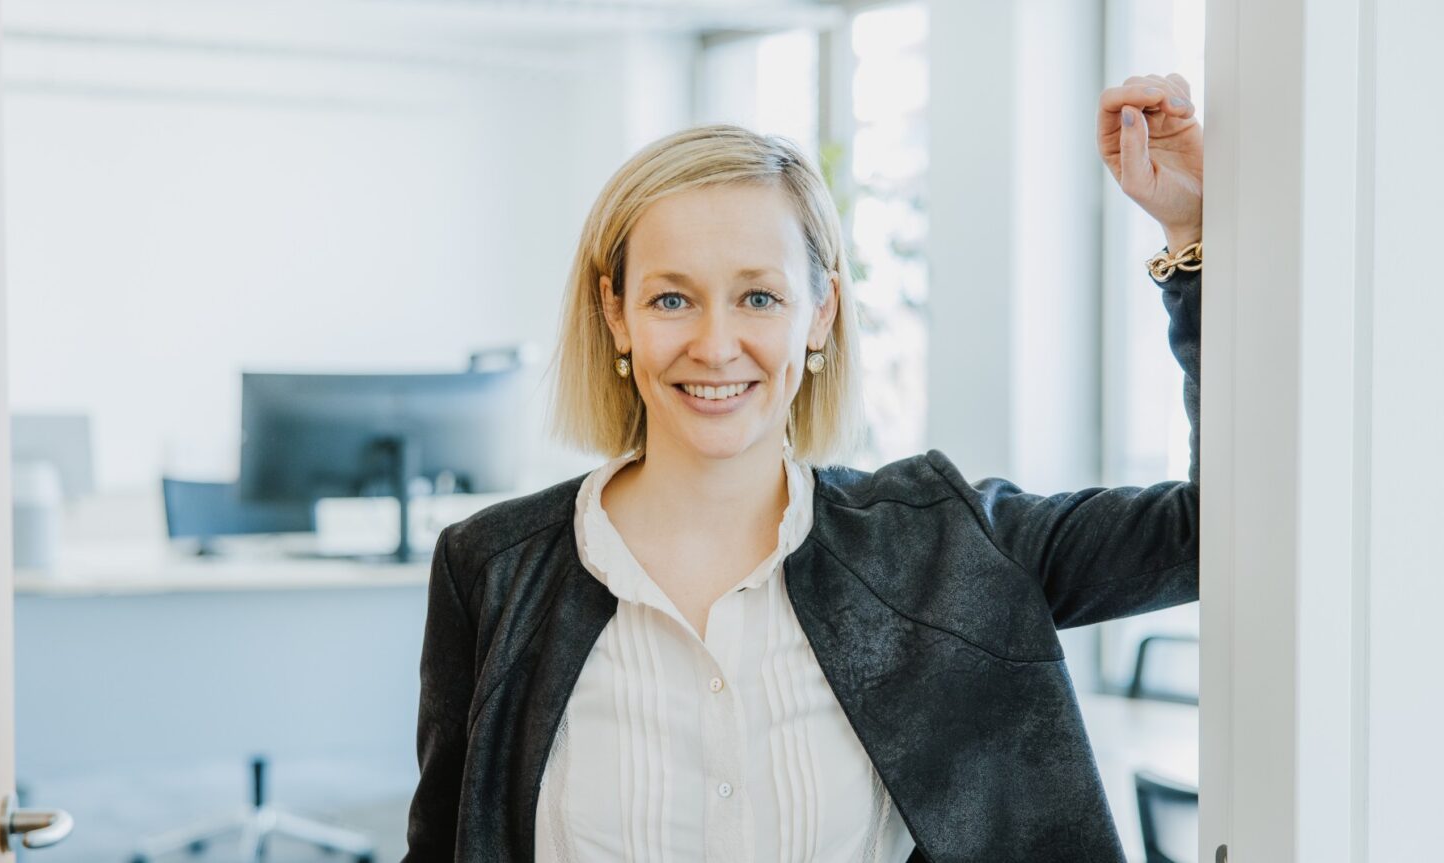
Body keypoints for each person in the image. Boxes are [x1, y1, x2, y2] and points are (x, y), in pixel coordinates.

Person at [401, 72, 1203, 862]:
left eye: (759, 297)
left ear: (821, 312)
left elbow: (1208, 531)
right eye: (671, 300)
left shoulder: (948, 549)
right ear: (616, 314)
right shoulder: (491, 569)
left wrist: (1189, 236)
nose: (715, 346)